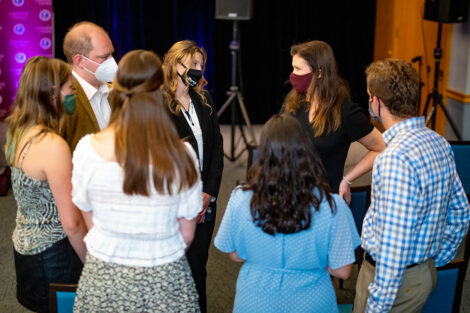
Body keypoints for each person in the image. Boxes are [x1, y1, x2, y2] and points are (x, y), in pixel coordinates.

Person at [72, 50, 201, 312]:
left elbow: (90, 221)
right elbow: (186, 234)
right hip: (165, 277)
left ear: (116, 90)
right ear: (159, 92)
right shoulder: (184, 155)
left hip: (104, 278)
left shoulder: (86, 149)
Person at [353, 59, 470, 313]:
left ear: (377, 102)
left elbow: (393, 248)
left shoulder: (394, 158)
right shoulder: (438, 141)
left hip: (392, 284)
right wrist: (432, 261)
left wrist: (376, 307)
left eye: (369, 97)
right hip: (420, 275)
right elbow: (461, 213)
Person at [215, 114, 360, 313]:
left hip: (255, 302)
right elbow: (342, 271)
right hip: (312, 302)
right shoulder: (332, 206)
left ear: (263, 154)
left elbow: (235, 255)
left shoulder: (240, 198)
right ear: (306, 151)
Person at [4, 56, 87, 313]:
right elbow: (71, 224)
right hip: (55, 256)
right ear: (53, 93)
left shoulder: (19, 132)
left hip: (26, 249)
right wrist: (92, 264)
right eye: (70, 89)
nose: (73, 95)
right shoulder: (52, 145)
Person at [162, 40, 224, 313]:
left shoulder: (205, 99)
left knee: (198, 267)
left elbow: (217, 151)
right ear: (176, 65)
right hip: (173, 205)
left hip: (205, 201)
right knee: (172, 270)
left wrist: (208, 193)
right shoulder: (159, 105)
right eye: (193, 64)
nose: (198, 69)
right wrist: (189, 200)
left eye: (201, 64)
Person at [283, 40, 385, 203]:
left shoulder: (344, 111)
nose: (292, 75)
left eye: (298, 69)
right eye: (293, 67)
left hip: (323, 201)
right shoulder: (293, 103)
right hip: (290, 196)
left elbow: (380, 148)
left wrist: (347, 179)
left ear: (319, 73)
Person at [62, 21, 117, 151]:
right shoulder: (63, 99)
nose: (112, 62)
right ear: (80, 61)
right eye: (104, 57)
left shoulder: (116, 92)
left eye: (112, 54)